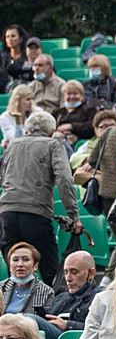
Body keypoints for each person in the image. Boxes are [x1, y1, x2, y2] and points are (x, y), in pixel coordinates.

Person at [0, 111, 82, 284]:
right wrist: (74, 216)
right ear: (51, 130)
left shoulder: (12, 145)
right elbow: (65, 180)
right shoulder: (53, 144)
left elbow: (2, 179)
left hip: (7, 213)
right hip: (36, 214)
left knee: (14, 273)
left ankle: (12, 309)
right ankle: (49, 309)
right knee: (50, 271)